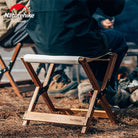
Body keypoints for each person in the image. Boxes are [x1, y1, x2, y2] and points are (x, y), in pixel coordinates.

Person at [26, 0, 128, 105]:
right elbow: (113, 8)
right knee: (117, 39)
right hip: (76, 42)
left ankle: (94, 86)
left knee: (95, 39)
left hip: (41, 44)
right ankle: (103, 93)